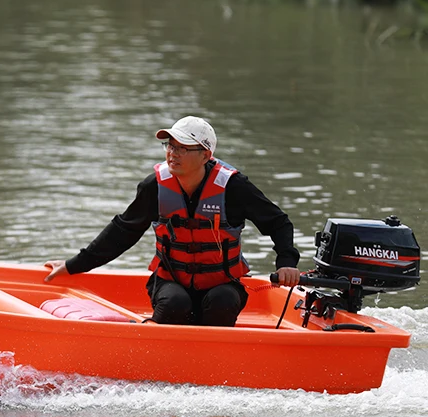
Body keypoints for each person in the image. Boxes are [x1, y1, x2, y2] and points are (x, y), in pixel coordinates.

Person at [45, 116, 300, 327]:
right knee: (176, 304)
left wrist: (287, 263)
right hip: (170, 283)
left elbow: (278, 222)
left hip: (222, 285)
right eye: (169, 145)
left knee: (221, 301)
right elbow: (122, 232)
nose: (172, 153)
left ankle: (215, 362)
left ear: (205, 155)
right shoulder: (154, 186)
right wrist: (73, 265)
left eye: (182, 148)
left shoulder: (234, 187)